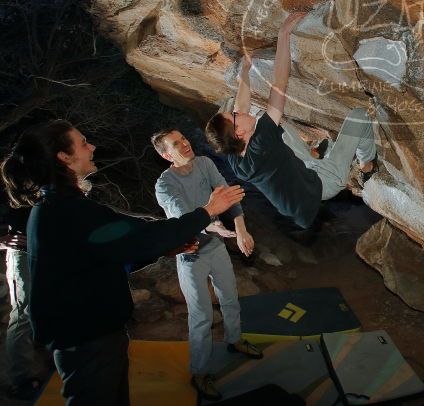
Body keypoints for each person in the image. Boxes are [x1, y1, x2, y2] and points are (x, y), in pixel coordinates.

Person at [0, 120, 244, 405]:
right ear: (64, 158)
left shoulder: (56, 207)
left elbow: (113, 249)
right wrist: (207, 211)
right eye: (83, 143)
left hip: (88, 334)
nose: (92, 147)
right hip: (87, 339)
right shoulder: (70, 212)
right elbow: (141, 234)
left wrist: (163, 250)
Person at [205, 12, 378, 230]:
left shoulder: (233, 152)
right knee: (359, 116)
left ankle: (315, 152)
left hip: (301, 170)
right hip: (323, 182)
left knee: (273, 122)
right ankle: (367, 166)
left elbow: (241, 106)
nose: (237, 111)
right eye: (234, 117)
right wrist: (284, 33)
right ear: (239, 132)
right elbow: (280, 81)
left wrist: (245, 73)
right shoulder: (261, 145)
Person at [151, 128, 262, 401]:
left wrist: (241, 230)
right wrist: (216, 227)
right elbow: (185, 217)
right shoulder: (164, 185)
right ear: (167, 155)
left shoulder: (204, 163)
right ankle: (199, 372)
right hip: (191, 255)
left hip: (216, 248)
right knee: (201, 315)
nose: (185, 144)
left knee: (230, 297)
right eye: (176, 144)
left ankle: (234, 340)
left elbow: (228, 195)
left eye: (184, 138)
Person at [0, 206, 48, 400]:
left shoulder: (46, 178)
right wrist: (2, 241)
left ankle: (52, 355)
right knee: (23, 315)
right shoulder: (9, 181)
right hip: (23, 253)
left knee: (50, 307)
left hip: (48, 250)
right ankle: (20, 380)